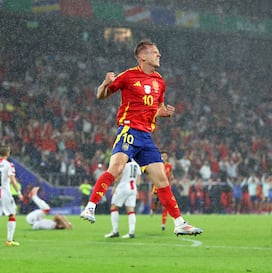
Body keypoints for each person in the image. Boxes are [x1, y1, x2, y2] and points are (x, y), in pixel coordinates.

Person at [80, 39, 202, 236]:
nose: (159, 55)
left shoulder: (160, 81)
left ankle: (179, 223)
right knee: (117, 166)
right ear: (142, 57)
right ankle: (91, 206)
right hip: (129, 130)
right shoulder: (128, 76)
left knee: (161, 178)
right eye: (155, 52)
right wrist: (104, 84)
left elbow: (157, 107)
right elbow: (101, 96)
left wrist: (163, 112)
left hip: (146, 136)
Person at [0, 145, 22, 248]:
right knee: (11, 214)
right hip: (5, 192)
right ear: (8, 153)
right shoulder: (8, 165)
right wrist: (18, 192)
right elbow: (12, 179)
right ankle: (9, 240)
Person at [105, 160, 141, 239]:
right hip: (133, 187)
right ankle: (131, 232)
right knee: (131, 210)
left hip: (123, 186)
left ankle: (115, 231)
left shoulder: (123, 163)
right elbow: (138, 179)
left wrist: (114, 186)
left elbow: (119, 176)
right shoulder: (136, 164)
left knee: (114, 207)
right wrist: (137, 190)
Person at [151, 151, 174, 231]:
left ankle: (163, 224)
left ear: (167, 157)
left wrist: (171, 179)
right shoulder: (157, 165)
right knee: (156, 202)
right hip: (157, 186)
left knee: (165, 204)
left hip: (165, 186)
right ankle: (153, 209)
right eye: (162, 156)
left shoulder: (169, 165)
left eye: (165, 156)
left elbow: (170, 175)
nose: (163, 158)